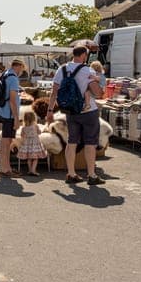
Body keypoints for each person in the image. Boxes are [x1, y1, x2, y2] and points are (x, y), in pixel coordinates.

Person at [46, 46, 105, 185]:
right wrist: (98, 84)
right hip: (88, 112)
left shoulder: (62, 69)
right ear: (84, 55)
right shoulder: (87, 70)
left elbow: (54, 92)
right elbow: (98, 93)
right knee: (90, 143)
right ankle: (91, 175)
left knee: (71, 141)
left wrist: (50, 110)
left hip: (71, 111)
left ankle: (71, 173)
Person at [0, 60, 23, 178]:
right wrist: (16, 118)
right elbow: (12, 100)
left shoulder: (6, 74)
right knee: (6, 142)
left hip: (4, 111)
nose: (21, 71)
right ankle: (4, 169)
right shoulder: (13, 78)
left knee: (5, 141)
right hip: (9, 114)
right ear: (19, 66)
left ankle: (6, 167)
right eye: (22, 68)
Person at [17, 110, 47, 177]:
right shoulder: (35, 126)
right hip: (35, 144)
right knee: (35, 158)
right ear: (34, 118)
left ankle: (30, 170)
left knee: (29, 158)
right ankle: (33, 170)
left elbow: (22, 135)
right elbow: (39, 132)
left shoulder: (24, 128)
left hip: (27, 144)